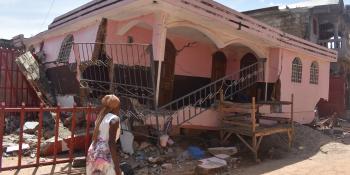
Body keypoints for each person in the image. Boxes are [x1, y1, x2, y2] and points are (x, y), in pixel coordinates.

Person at [87, 94, 122, 175]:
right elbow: (111, 143)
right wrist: (117, 167)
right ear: (115, 107)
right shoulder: (114, 119)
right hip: (104, 154)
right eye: (119, 106)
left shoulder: (101, 117)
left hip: (93, 151)